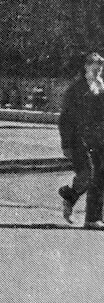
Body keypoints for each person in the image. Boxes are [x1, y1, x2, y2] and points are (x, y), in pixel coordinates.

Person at [58, 52, 104, 228]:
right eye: (94, 66)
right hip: (79, 139)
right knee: (88, 174)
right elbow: (65, 118)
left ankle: (92, 219)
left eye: (100, 66)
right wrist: (66, 144)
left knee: (100, 178)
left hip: (98, 139)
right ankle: (69, 196)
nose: (98, 69)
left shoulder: (101, 86)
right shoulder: (76, 88)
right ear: (85, 66)